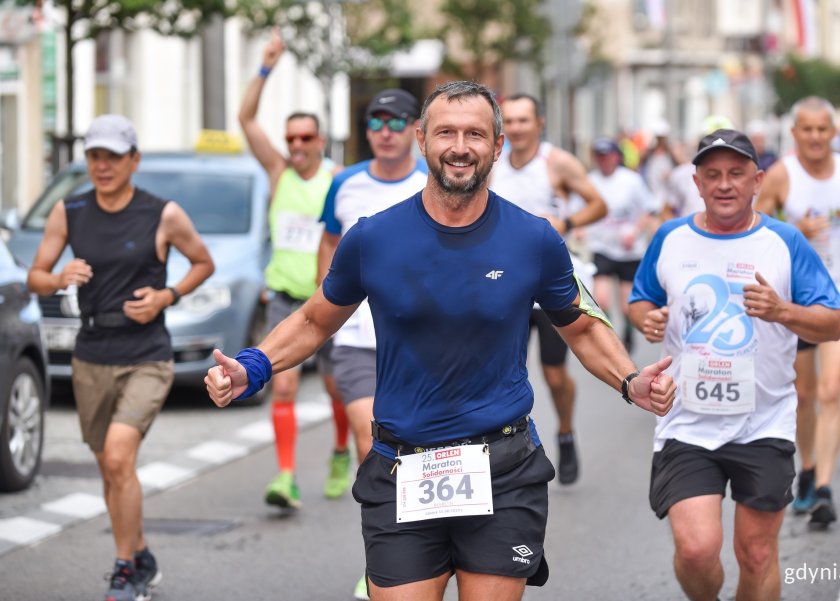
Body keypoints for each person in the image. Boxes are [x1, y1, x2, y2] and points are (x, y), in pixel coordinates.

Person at [207, 80, 676, 601]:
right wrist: (252, 365)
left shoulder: (534, 239)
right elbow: (316, 319)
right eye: (446, 132)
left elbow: (583, 324)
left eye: (475, 133)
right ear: (421, 140)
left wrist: (630, 380)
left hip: (504, 466)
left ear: (497, 146)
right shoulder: (373, 238)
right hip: (403, 464)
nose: (459, 146)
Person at [629, 128, 840, 601]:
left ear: (757, 180)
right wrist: (649, 320)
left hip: (763, 422)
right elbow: (640, 301)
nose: (724, 184)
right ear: (698, 183)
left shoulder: (784, 242)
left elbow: (832, 325)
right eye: (713, 175)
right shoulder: (670, 237)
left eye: (736, 174)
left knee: (757, 554)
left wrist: (782, 310)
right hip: (687, 423)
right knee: (697, 551)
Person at [27, 114, 215, 601]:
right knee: (110, 469)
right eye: (94, 156)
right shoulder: (69, 211)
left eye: (113, 156)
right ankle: (143, 554)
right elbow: (36, 277)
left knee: (117, 456)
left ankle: (125, 569)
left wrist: (166, 296)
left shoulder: (162, 213)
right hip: (91, 355)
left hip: (146, 356)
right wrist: (59, 276)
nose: (103, 165)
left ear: (134, 160)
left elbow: (203, 262)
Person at [316, 87, 428, 600]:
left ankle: (421, 551)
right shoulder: (344, 183)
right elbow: (329, 243)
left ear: (414, 131)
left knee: (424, 454)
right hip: (359, 337)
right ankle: (380, 565)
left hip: (423, 344)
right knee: (372, 443)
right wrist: (324, 308)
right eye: (376, 121)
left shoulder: (434, 183)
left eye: (397, 121)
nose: (386, 130)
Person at [238, 28, 351, 509]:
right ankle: (286, 477)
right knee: (281, 384)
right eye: (291, 137)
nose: (297, 144)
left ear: (321, 139)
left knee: (336, 389)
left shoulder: (337, 181)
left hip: (328, 300)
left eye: (306, 136)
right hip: (285, 297)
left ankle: (342, 451)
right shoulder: (278, 172)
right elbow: (245, 118)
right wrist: (265, 66)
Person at [755, 97, 840, 526]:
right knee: (804, 396)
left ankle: (825, 487)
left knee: (830, 391)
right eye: (805, 129)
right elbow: (755, 223)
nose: (814, 137)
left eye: (822, 129)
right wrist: (793, 232)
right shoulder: (780, 174)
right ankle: (807, 467)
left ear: (834, 132)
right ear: (794, 134)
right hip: (795, 303)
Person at [490, 93, 608, 485]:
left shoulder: (556, 162)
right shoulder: (493, 164)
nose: (518, 128)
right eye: (511, 120)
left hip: (552, 281)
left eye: (525, 120)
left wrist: (566, 222)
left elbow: (598, 204)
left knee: (555, 375)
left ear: (540, 122)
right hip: (506, 283)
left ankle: (565, 431)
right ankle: (508, 450)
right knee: (505, 371)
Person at [580, 136, 659, 351]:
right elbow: (578, 208)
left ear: (616, 157)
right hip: (602, 246)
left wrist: (634, 231)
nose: (603, 160)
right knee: (602, 301)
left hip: (628, 249)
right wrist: (578, 228)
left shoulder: (631, 180)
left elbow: (649, 208)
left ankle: (628, 333)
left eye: (607, 156)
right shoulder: (590, 180)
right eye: (599, 156)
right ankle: (608, 341)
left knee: (627, 306)